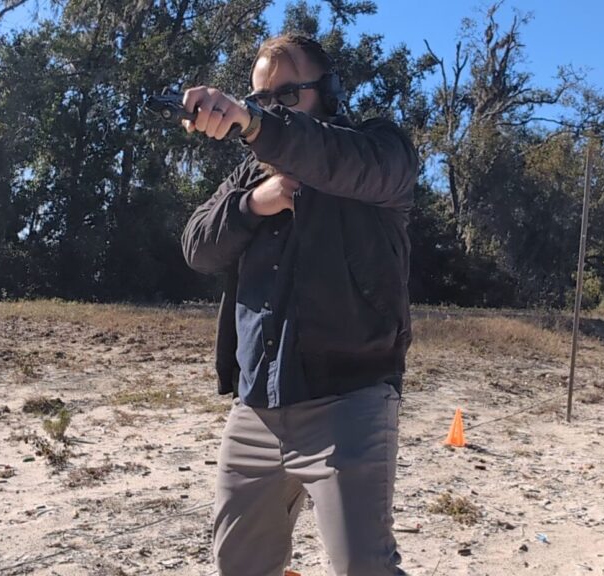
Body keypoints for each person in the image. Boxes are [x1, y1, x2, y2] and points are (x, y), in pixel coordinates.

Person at [180, 34, 417, 576]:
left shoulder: (378, 150)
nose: (269, 111)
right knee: (239, 564)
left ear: (327, 92)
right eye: (260, 100)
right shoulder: (250, 176)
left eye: (286, 97)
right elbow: (197, 246)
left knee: (365, 567)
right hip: (255, 406)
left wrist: (258, 126)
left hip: (349, 400)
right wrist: (254, 204)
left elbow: (332, 160)